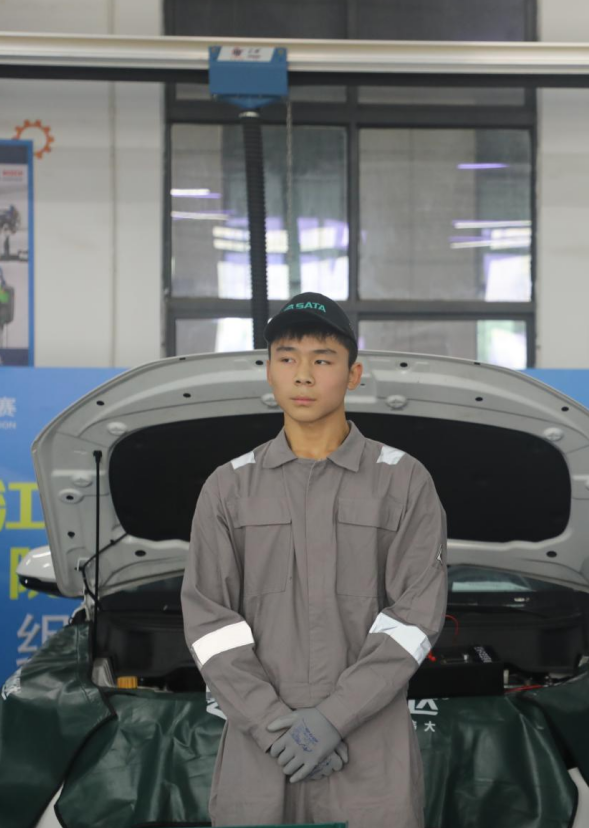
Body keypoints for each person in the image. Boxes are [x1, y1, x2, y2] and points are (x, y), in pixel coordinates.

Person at [181, 292, 448, 827]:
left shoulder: (403, 481)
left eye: (323, 360)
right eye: (287, 358)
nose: (303, 375)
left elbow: (414, 618)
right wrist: (274, 725)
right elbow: (210, 624)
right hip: (263, 749)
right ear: (269, 371)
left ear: (354, 375)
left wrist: (333, 718)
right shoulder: (229, 488)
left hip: (369, 742)